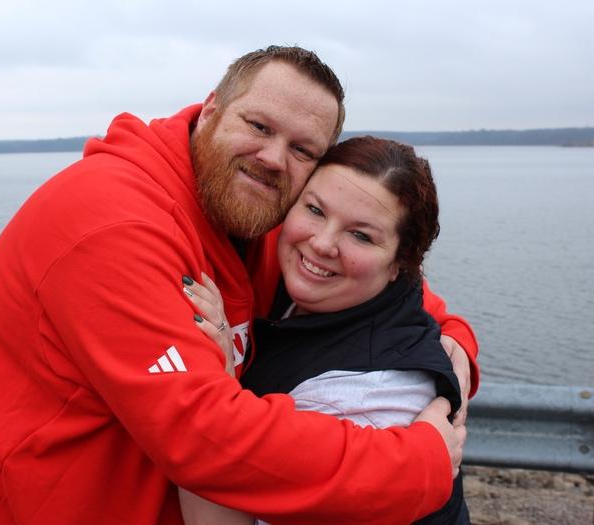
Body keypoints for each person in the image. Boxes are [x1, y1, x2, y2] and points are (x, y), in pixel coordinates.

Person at [0, 46, 477, 525]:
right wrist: (418, 465)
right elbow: (205, 437)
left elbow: (386, 286)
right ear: (212, 108)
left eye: (302, 150)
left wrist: (454, 339)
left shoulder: (253, 213)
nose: (272, 158)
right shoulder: (112, 223)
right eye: (259, 126)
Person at [179, 137, 470, 524]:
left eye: (361, 235)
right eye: (315, 210)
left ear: (400, 264)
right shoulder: (316, 298)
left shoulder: (362, 398)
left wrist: (214, 380)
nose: (322, 243)